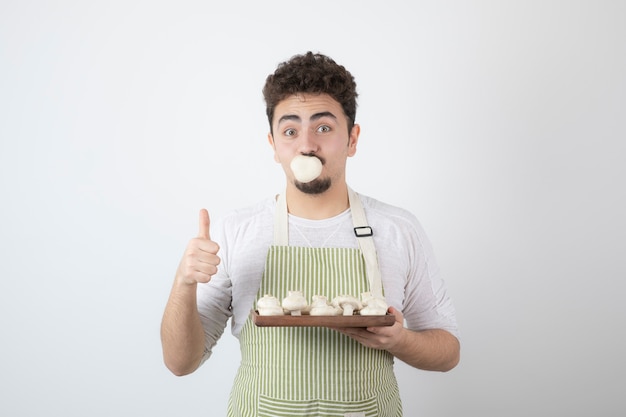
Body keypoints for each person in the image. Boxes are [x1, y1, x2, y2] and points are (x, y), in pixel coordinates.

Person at [160, 51, 460, 416]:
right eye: (290, 130)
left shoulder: (398, 229)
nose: (306, 145)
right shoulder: (236, 231)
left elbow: (448, 352)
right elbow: (180, 362)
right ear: (273, 146)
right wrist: (183, 282)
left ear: (352, 139)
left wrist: (400, 340)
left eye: (323, 127)